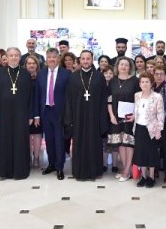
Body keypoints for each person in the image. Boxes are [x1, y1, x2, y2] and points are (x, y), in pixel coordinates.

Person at [0, 47, 37, 180]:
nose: (14, 58)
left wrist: (30, 115)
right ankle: (3, 170)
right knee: (4, 141)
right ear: (7, 57)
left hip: (21, 114)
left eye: (16, 55)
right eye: (11, 55)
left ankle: (20, 171)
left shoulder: (25, 74)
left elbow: (30, 97)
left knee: (20, 141)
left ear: (20, 57)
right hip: (3, 115)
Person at [63, 50, 110, 180]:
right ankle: (79, 171)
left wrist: (102, 119)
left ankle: (95, 171)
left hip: (94, 116)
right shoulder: (73, 77)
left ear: (92, 59)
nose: (85, 61)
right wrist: (69, 118)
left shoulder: (99, 77)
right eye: (83, 59)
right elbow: (68, 99)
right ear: (80, 60)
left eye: (88, 59)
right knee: (79, 144)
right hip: (78, 117)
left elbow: (103, 99)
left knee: (94, 143)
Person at [37, 49, 70, 179]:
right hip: (46, 111)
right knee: (49, 140)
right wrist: (36, 115)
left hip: (59, 112)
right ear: (46, 59)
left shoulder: (66, 74)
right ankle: (51, 164)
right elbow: (37, 95)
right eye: (49, 57)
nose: (51, 59)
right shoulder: (41, 74)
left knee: (59, 140)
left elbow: (69, 96)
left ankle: (60, 167)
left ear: (58, 59)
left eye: (54, 57)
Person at [107, 57, 140, 181]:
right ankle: (126, 168)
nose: (124, 67)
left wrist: (135, 115)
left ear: (130, 67)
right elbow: (109, 100)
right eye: (122, 64)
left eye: (126, 65)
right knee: (120, 143)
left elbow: (139, 99)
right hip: (116, 117)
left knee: (129, 143)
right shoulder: (113, 81)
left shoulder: (135, 81)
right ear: (117, 66)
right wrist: (111, 115)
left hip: (129, 117)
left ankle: (126, 170)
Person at [132, 72, 165, 188]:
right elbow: (137, 111)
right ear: (139, 83)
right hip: (139, 128)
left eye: (147, 82)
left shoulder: (157, 97)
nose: (144, 84)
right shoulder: (137, 95)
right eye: (142, 82)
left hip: (151, 129)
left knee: (151, 153)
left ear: (152, 83)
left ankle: (151, 177)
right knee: (141, 153)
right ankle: (143, 177)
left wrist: (159, 130)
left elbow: (161, 114)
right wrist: (133, 117)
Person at [24, 53, 44, 169]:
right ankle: (28, 158)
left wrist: (37, 114)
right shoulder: (21, 77)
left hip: (38, 111)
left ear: (37, 65)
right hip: (25, 111)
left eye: (33, 63)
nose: (31, 65)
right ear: (25, 65)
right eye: (29, 63)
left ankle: (36, 157)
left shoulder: (41, 77)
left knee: (37, 135)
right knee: (26, 135)